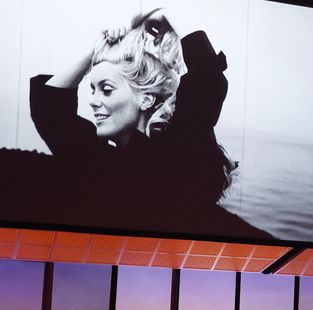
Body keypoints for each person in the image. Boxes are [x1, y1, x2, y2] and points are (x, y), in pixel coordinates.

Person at [19, 8, 271, 239]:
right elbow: (49, 110)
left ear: (146, 98)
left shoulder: (178, 153)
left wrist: (167, 13)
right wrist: (95, 49)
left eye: (106, 90)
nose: (93, 101)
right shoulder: (102, 160)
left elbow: (208, 80)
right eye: (92, 90)